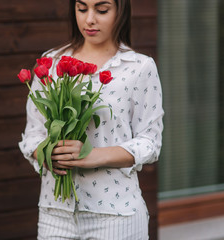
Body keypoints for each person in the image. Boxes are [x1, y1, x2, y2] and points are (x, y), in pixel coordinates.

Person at [19, 0, 164, 239]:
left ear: (120, 10)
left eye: (102, 10)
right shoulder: (51, 63)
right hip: (55, 214)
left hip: (116, 216)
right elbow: (33, 135)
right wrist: (47, 153)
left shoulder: (139, 67)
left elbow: (150, 142)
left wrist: (92, 155)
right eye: (82, 8)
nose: (89, 20)